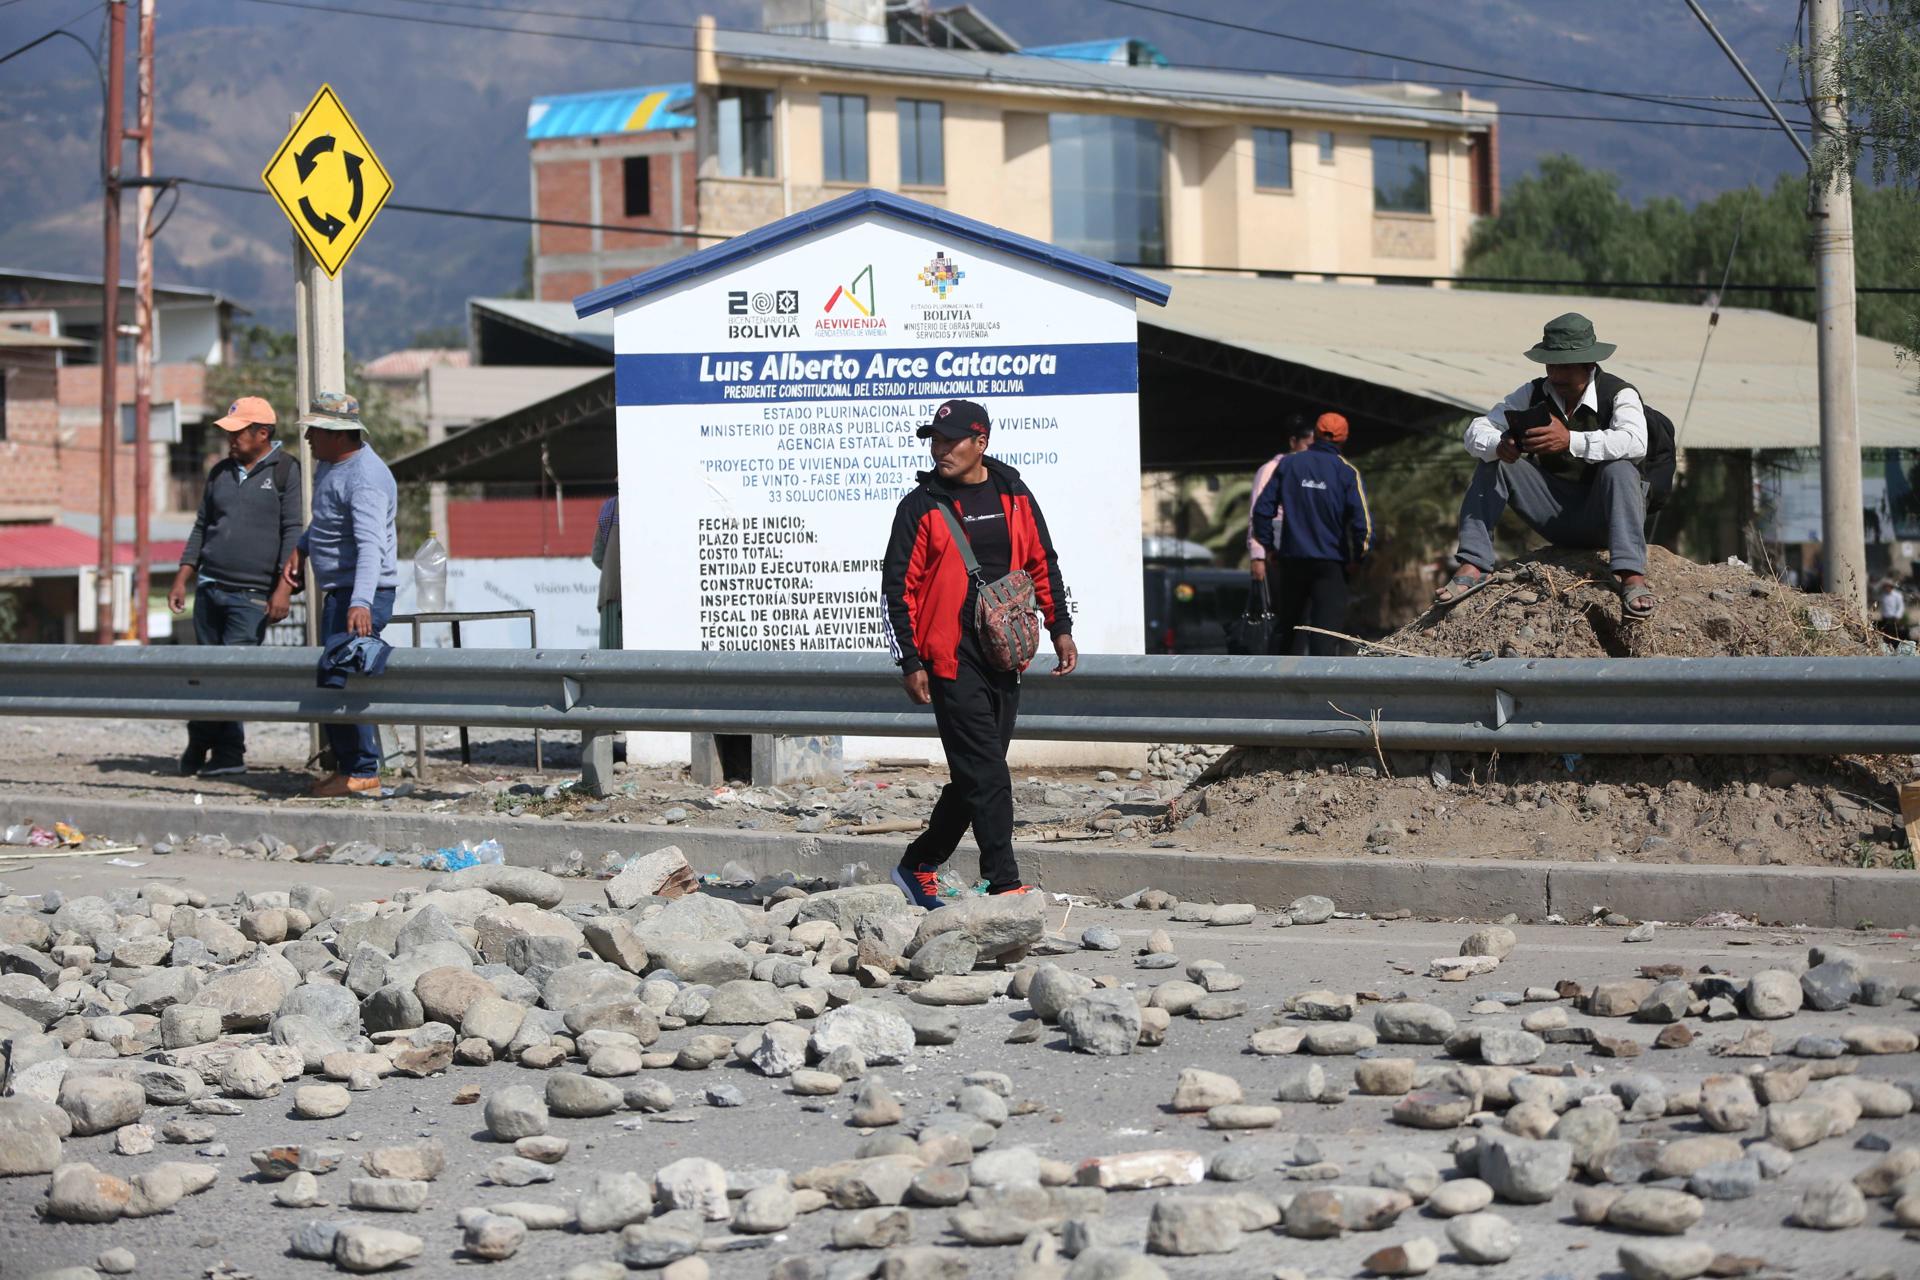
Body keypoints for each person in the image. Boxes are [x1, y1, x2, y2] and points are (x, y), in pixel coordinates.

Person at [880, 399, 1077, 907]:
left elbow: (1041, 561)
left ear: (980, 442)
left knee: (977, 770)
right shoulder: (920, 505)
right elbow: (897, 589)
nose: (939, 449)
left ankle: (918, 864)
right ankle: (1004, 883)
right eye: (934, 441)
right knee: (987, 770)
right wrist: (911, 660)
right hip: (948, 656)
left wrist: (1060, 627)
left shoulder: (1013, 491)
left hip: (1004, 650)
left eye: (950, 441)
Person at [1435, 313, 1655, 618]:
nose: (1557, 376)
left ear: (1589, 365)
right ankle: (1474, 564)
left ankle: (1631, 574)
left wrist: (1570, 441)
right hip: (1552, 513)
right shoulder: (1532, 393)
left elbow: (1635, 442)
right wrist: (1500, 445)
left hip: (1603, 515)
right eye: (1551, 366)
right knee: (1493, 461)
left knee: (1620, 468)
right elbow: (1476, 430)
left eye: (1565, 367)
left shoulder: (1620, 394)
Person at [168, 395, 302, 777]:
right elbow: (201, 526)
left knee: (230, 676)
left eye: (238, 432)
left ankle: (203, 746)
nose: (231, 440)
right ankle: (226, 753)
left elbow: (293, 531)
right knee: (208, 675)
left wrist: (283, 589)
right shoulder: (220, 472)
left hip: (252, 596)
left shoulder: (285, 471)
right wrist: (183, 576)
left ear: (263, 433)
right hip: (209, 589)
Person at [280, 391, 398, 798]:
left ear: (339, 435)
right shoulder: (333, 467)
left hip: (360, 594)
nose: (309, 437)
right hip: (343, 592)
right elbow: (328, 521)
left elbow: (370, 547)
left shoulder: (365, 478)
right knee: (333, 678)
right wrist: (303, 546)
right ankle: (352, 767)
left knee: (342, 679)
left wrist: (361, 602)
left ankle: (363, 770)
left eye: (316, 430)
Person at [1250, 412, 1372, 656]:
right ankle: (1322, 692)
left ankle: (1278, 686)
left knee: (1287, 629)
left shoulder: (1289, 464)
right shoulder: (1346, 472)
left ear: (1315, 434)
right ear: (1343, 440)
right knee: (1325, 635)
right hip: (1331, 565)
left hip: (1292, 561)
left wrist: (1269, 548)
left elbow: (1262, 511)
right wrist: (1358, 559)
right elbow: (1363, 526)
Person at [1246, 416, 1315, 582]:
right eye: (1308, 446)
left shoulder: (1315, 474)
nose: (1312, 453)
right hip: (1276, 553)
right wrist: (1258, 557)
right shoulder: (1270, 470)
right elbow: (1257, 514)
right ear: (1293, 442)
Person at [592, 496, 622, 649]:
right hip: (630, 598)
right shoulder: (646, 504)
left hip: (610, 594)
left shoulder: (609, 508)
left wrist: (612, 571)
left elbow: (597, 556)